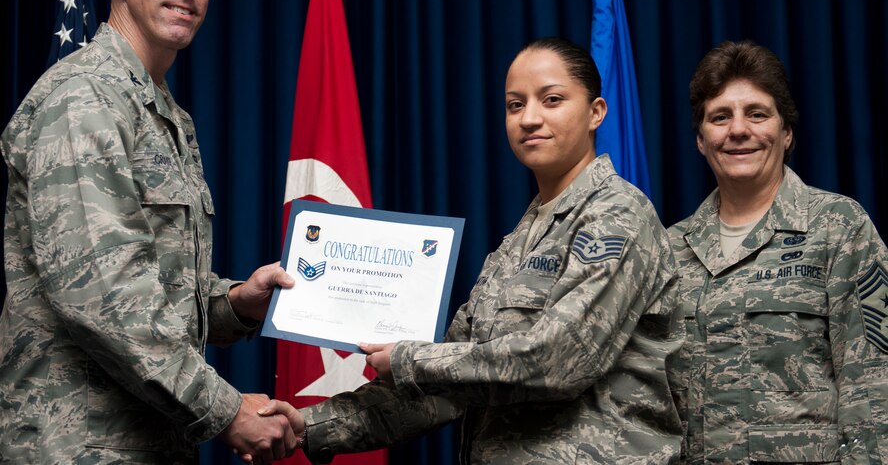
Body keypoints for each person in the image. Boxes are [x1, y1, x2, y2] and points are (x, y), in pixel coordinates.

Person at [273, 37, 684, 463]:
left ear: (596, 112)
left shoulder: (617, 215)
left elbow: (558, 360)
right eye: (514, 104)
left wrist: (410, 358)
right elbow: (444, 390)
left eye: (552, 100)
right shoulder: (516, 244)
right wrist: (310, 426)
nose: (529, 118)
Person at [0, 0, 302, 464]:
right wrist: (227, 409)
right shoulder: (85, 99)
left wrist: (237, 303)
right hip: (77, 447)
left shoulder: (158, 110)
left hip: (148, 443)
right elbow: (105, 293)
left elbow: (153, 283)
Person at [667, 40, 888, 464]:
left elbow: (875, 389)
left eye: (757, 113)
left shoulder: (838, 226)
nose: (738, 130)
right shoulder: (671, 248)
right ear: (700, 140)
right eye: (719, 117)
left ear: (786, 132)